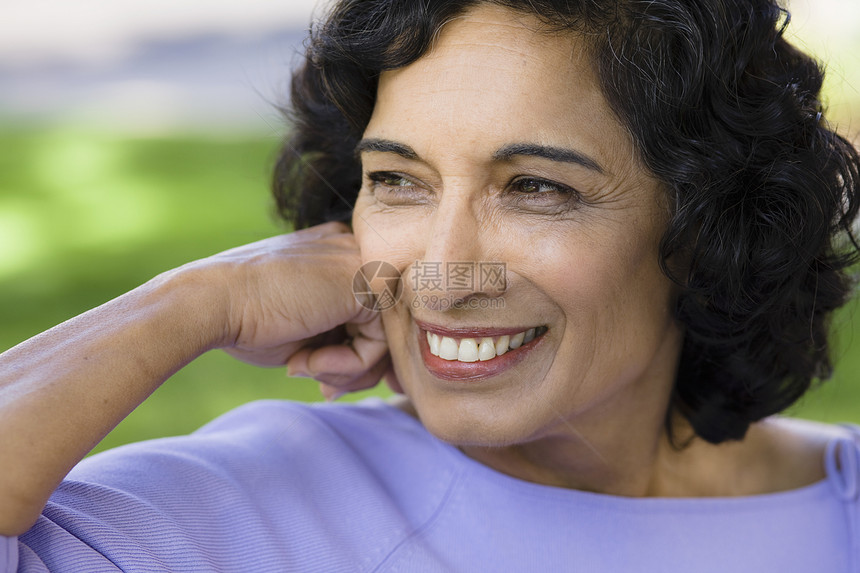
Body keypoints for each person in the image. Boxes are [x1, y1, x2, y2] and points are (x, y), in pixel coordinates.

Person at [2, 0, 860, 571]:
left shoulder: (843, 503)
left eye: (536, 187)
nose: (440, 276)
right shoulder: (259, 508)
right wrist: (193, 301)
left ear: (710, 225)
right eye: (398, 180)